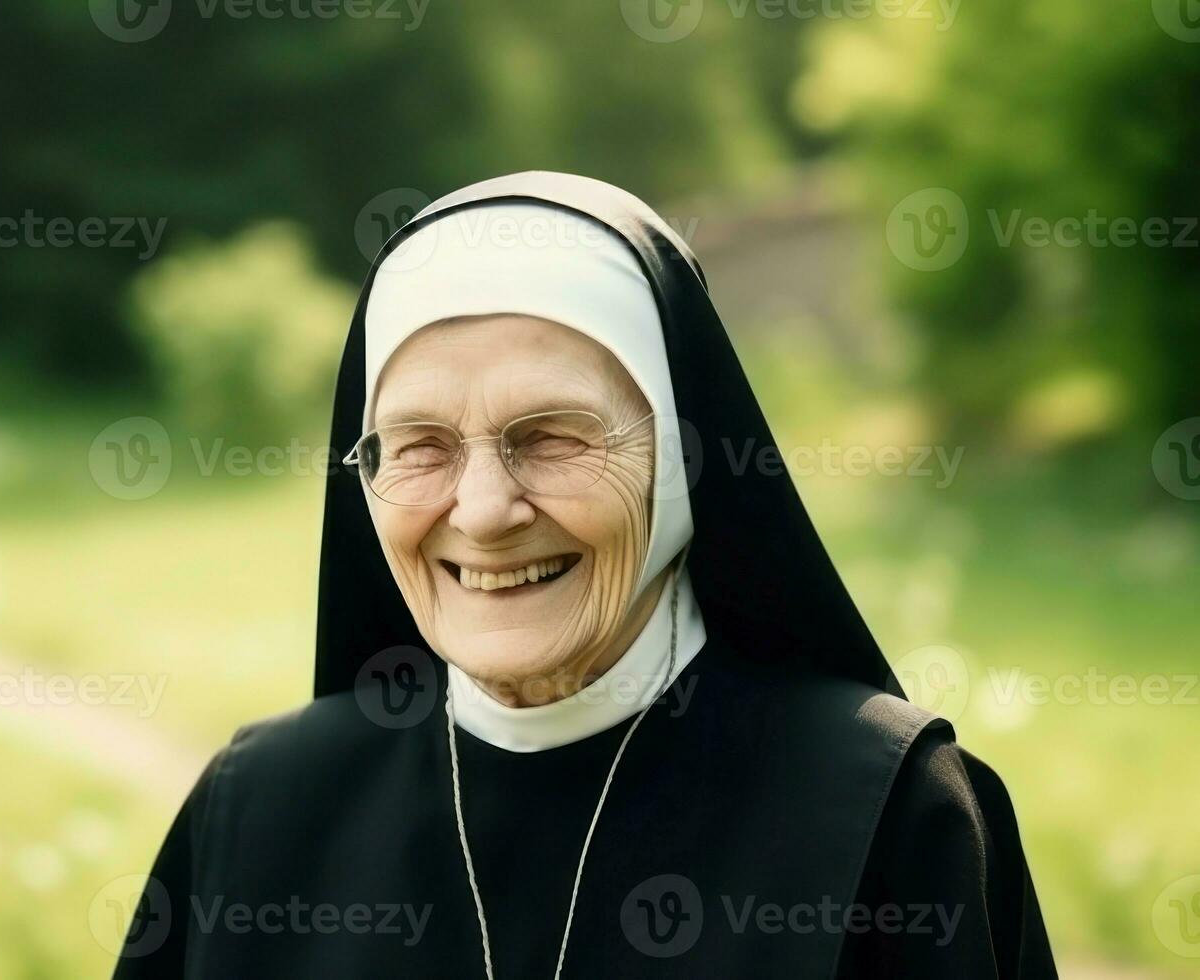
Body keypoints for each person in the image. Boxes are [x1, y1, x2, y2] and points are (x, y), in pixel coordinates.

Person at [113, 171, 1056, 978]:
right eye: (420, 447)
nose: (483, 512)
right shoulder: (256, 810)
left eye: (553, 438)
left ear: (681, 464)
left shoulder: (887, 815)